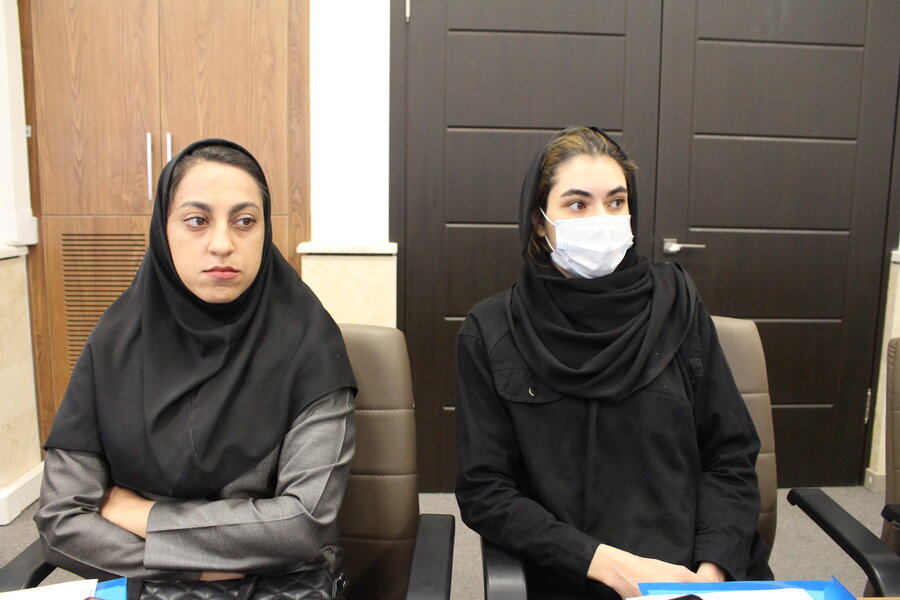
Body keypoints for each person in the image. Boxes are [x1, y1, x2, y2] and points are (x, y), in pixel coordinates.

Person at [454, 127, 772, 599]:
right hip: (572, 575)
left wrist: (711, 572)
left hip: (694, 572)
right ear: (539, 221)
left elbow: (729, 454)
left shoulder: (678, 305)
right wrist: (603, 563)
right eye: (577, 204)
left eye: (616, 201)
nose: (602, 219)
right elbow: (485, 490)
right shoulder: (492, 329)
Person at [35, 139, 357, 590]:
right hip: (150, 588)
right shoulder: (114, 344)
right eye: (196, 221)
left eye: (245, 221)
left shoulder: (310, 346)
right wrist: (195, 568)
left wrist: (140, 513)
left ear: (265, 230)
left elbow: (302, 524)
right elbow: (61, 521)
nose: (222, 244)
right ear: (163, 231)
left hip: (276, 588)